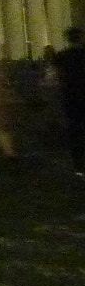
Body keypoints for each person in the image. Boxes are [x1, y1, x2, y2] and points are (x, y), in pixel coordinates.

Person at [50, 27, 85, 177]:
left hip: (71, 97)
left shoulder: (62, 56)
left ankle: (79, 165)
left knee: (75, 130)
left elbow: (56, 74)